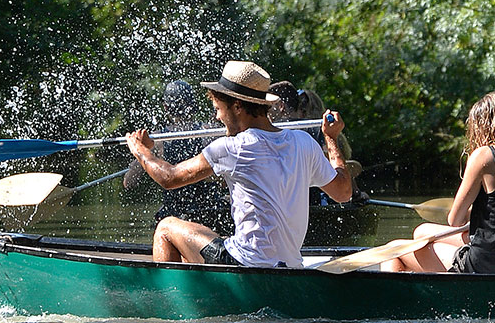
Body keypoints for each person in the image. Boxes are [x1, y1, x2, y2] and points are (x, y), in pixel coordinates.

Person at [125, 60, 353, 266]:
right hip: (291, 264)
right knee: (198, 244)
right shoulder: (304, 142)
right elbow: (343, 192)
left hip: (245, 263)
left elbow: (169, 178)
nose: (217, 118)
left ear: (237, 107)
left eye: (218, 110)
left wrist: (140, 150)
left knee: (166, 227)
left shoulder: (231, 147)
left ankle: (169, 307)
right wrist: (331, 139)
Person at [381, 92, 495, 273]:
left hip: (486, 263)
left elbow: (455, 220)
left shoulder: (485, 156)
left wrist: (470, 214)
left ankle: (404, 301)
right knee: (421, 231)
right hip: (488, 244)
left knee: (392, 250)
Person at [123, 80, 230, 234]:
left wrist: (140, 152)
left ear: (166, 107)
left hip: (176, 218)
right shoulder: (211, 133)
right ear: (193, 105)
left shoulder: (157, 141)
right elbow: (225, 182)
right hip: (212, 216)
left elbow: (129, 182)